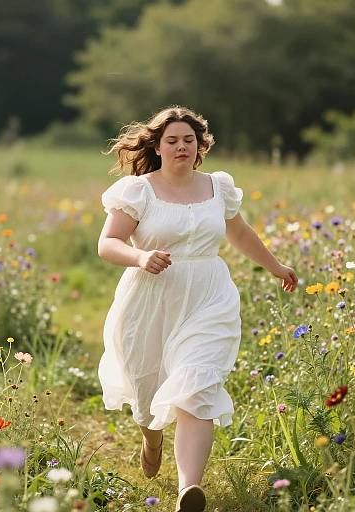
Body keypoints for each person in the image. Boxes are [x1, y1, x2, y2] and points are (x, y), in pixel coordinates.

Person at [97, 106, 298, 512]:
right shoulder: (138, 191)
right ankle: (151, 440)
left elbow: (240, 232)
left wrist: (276, 266)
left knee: (197, 384)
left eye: (189, 140)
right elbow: (108, 243)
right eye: (172, 140)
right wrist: (140, 257)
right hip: (150, 298)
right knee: (145, 389)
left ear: (199, 145)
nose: (181, 147)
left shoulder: (217, 187)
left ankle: (189, 490)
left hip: (209, 296)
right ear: (158, 146)